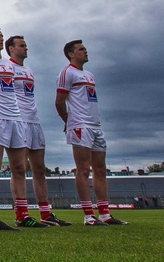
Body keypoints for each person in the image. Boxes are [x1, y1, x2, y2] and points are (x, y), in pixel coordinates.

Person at [55, 40, 128, 226]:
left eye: (85, 49)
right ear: (71, 54)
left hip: (96, 125)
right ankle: (88, 215)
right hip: (80, 125)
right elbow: (59, 101)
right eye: (81, 49)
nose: (85, 51)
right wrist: (68, 120)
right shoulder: (67, 72)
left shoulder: (89, 75)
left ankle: (105, 213)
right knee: (83, 168)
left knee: (100, 169)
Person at [6, 35, 71, 226]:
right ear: (11, 48)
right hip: (18, 121)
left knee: (39, 169)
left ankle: (45, 213)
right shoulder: (7, 68)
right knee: (19, 168)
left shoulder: (29, 70)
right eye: (21, 46)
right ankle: (22, 215)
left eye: (26, 45)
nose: (26, 49)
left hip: (34, 121)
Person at [0, 27, 34, 229]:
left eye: (2, 36)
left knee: (20, 167)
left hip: (15, 118)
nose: (1, 39)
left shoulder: (8, 64)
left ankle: (22, 214)